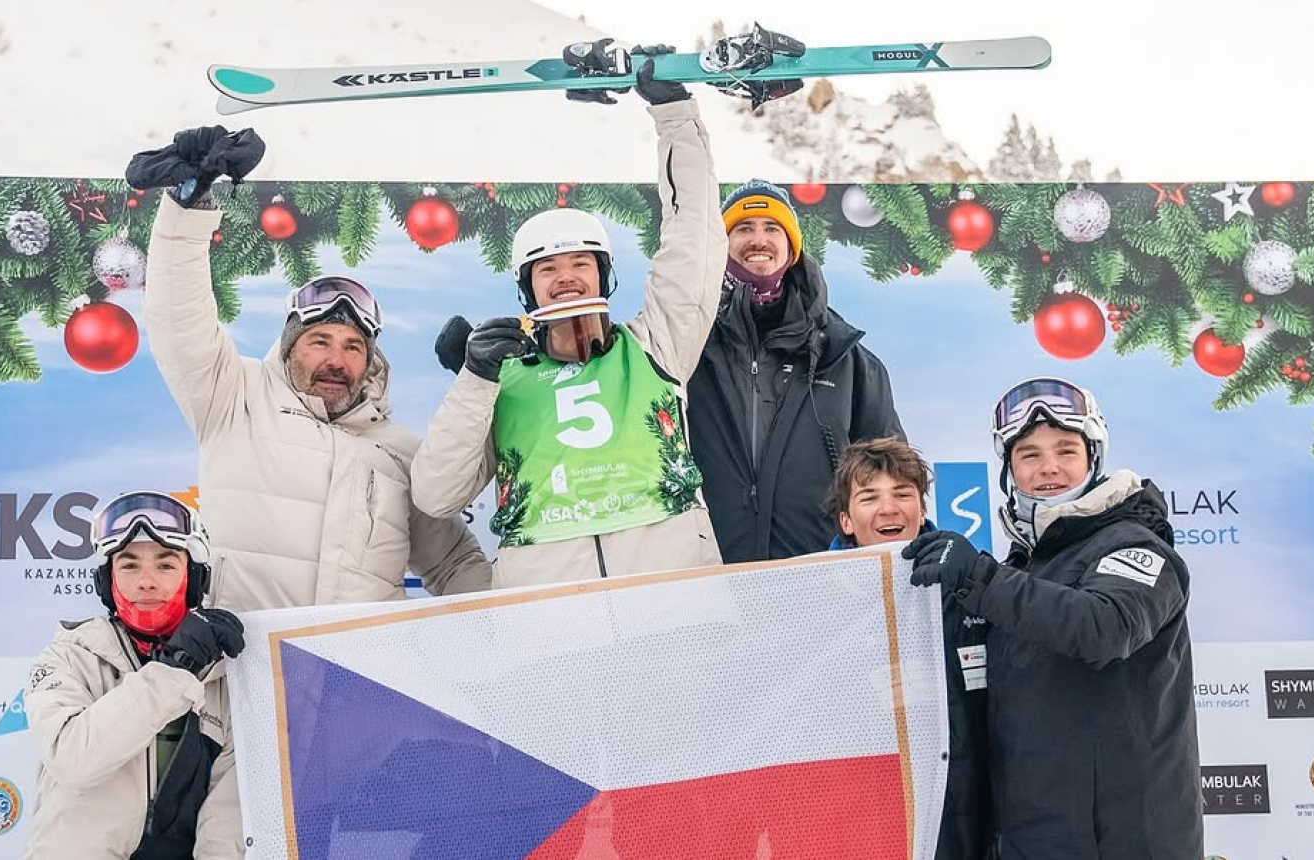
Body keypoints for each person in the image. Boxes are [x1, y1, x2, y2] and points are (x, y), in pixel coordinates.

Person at [126, 127, 492, 610]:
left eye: (352, 347)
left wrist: (530, 630)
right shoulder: (235, 397)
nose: (335, 360)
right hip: (248, 665)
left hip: (359, 669)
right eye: (319, 341)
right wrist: (188, 207)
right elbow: (178, 316)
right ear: (289, 347)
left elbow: (451, 565)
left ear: (371, 361)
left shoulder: (402, 453)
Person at [410, 47, 727, 586]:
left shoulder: (654, 348)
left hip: (677, 607)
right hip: (548, 629)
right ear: (526, 290)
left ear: (604, 277)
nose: (566, 278)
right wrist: (474, 379)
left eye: (581, 263)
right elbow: (436, 494)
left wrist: (675, 116)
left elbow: (694, 240)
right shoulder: (499, 381)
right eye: (547, 269)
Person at [903, 377, 1201, 860]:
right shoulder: (1021, 568)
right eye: (1029, 456)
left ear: (1093, 459)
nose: (1049, 469)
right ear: (1010, 471)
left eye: (1065, 451)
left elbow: (1103, 628)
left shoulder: (1135, 545)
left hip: (1120, 843)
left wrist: (979, 578)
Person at [686, 179, 904, 564]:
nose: (759, 240)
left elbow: (892, 475)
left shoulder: (846, 358)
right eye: (743, 228)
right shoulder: (686, 351)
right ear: (721, 244)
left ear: (792, 248)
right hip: (705, 579)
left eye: (773, 229)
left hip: (822, 579)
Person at [24, 491, 246, 860]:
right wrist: (175, 668)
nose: (146, 581)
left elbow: (228, 820)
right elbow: (74, 759)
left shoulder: (227, 679)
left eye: (165, 565)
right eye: (128, 566)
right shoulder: (68, 658)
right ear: (105, 581)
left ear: (194, 579)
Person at [825, 438, 989, 860]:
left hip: (962, 812)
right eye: (869, 497)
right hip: (861, 813)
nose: (889, 508)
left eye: (903, 494)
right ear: (846, 520)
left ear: (922, 509)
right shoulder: (816, 597)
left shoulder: (970, 581)